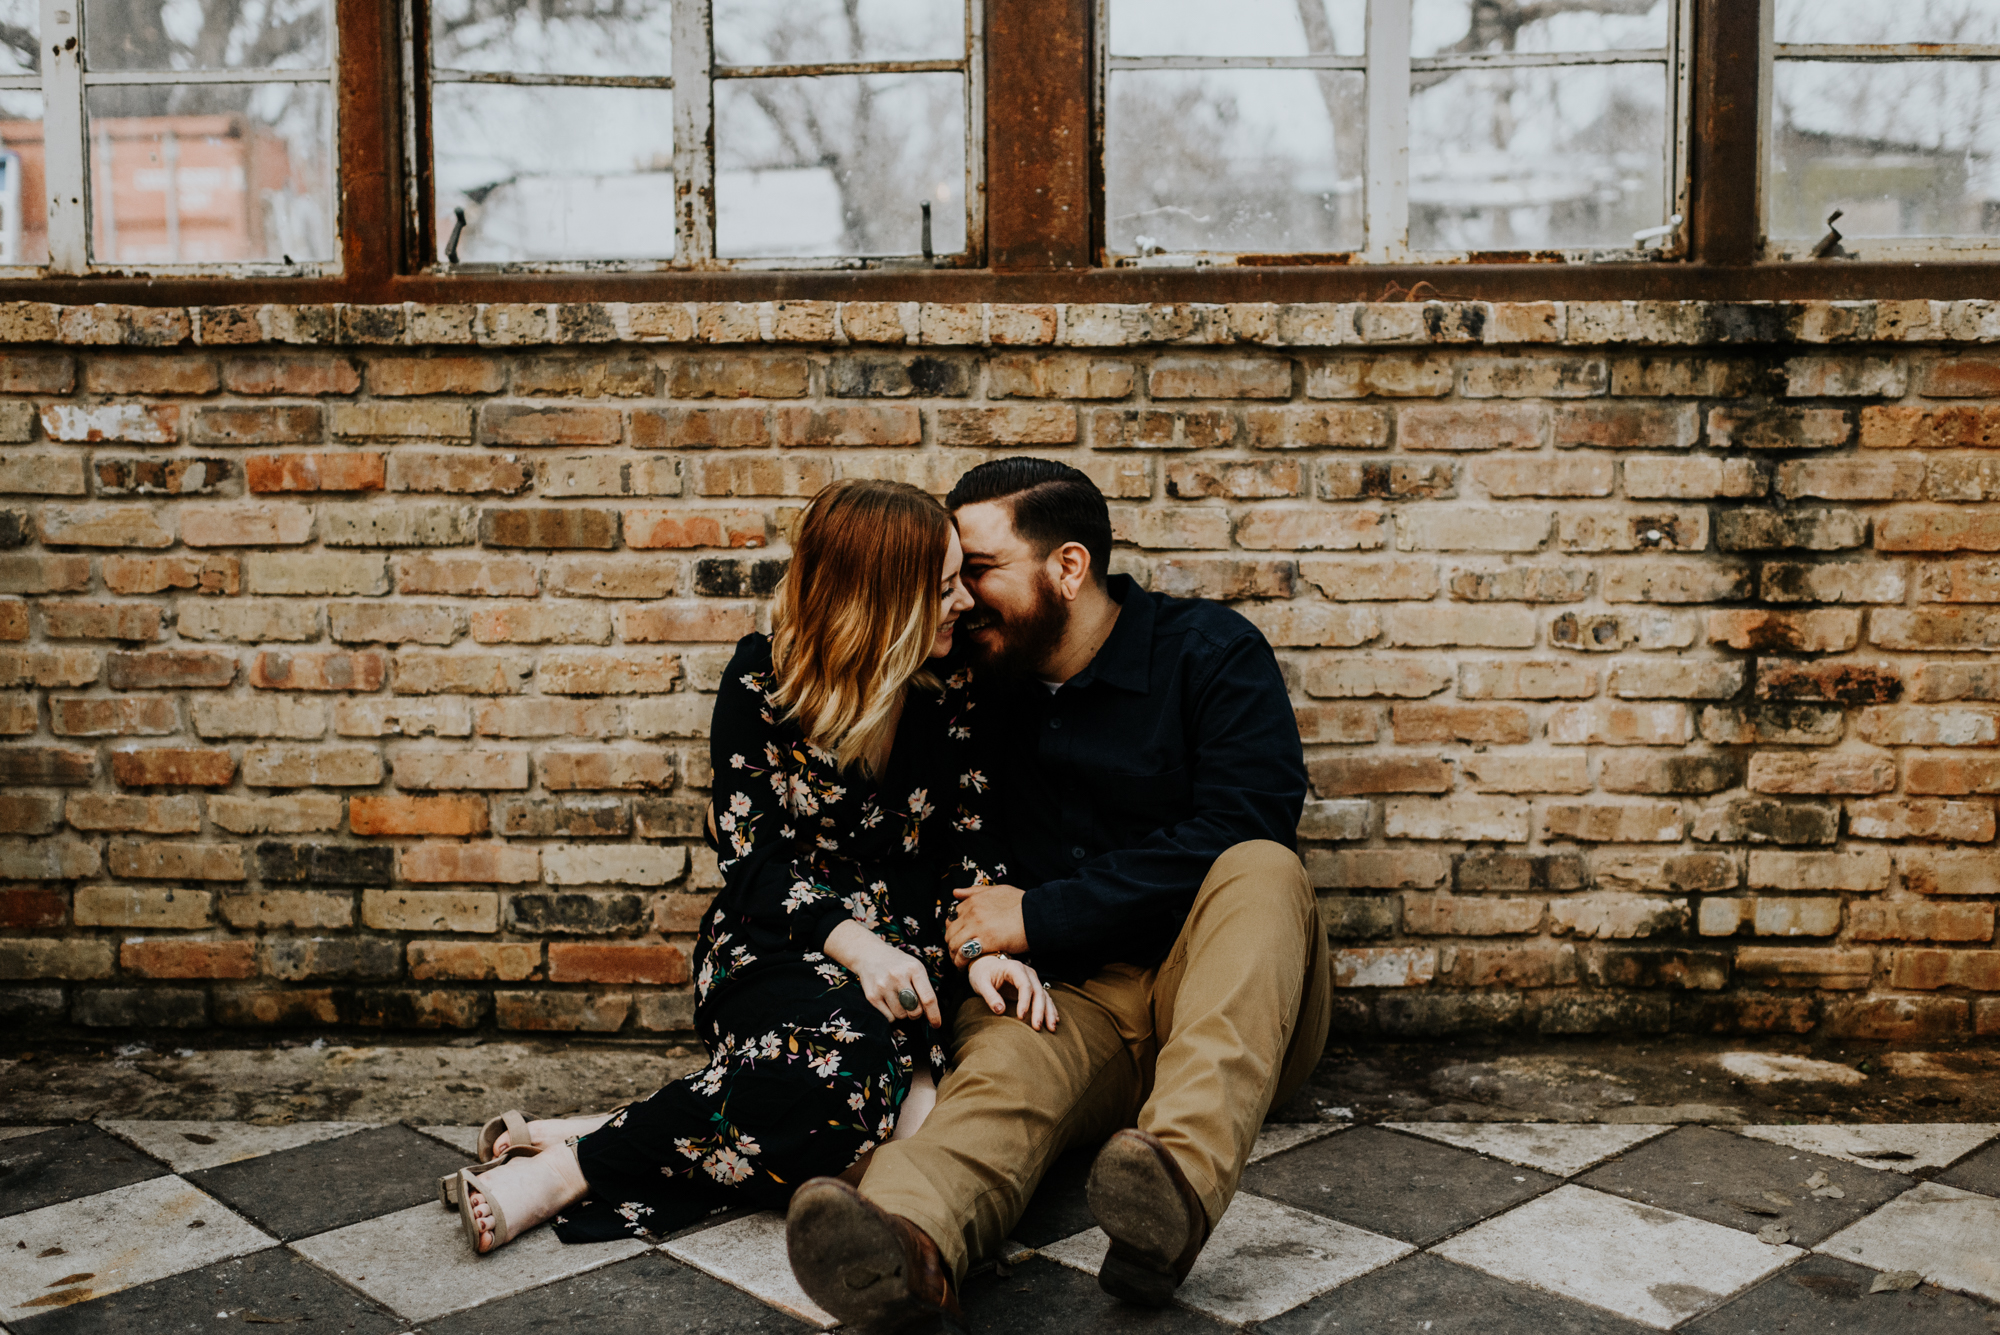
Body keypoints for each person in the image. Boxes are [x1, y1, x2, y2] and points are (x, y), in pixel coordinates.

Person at [785, 458, 1333, 1329]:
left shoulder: (1212, 655)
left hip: (1231, 987)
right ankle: (903, 1244)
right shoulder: (969, 694)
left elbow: (1247, 817)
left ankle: (1171, 1195)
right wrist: (980, 945)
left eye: (979, 571)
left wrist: (1039, 913)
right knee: (997, 1074)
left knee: (1263, 864)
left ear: (1067, 568)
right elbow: (938, 850)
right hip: (1066, 1000)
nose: (959, 600)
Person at [454, 479, 1059, 1256]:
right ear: (884, 601)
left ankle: (602, 1133)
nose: (962, 603)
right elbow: (756, 862)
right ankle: (566, 1172)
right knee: (854, 1077)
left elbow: (970, 851)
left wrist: (981, 951)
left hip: (907, 960)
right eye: (941, 588)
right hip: (774, 941)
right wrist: (860, 949)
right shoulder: (761, 683)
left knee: (901, 1128)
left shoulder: (957, 691)